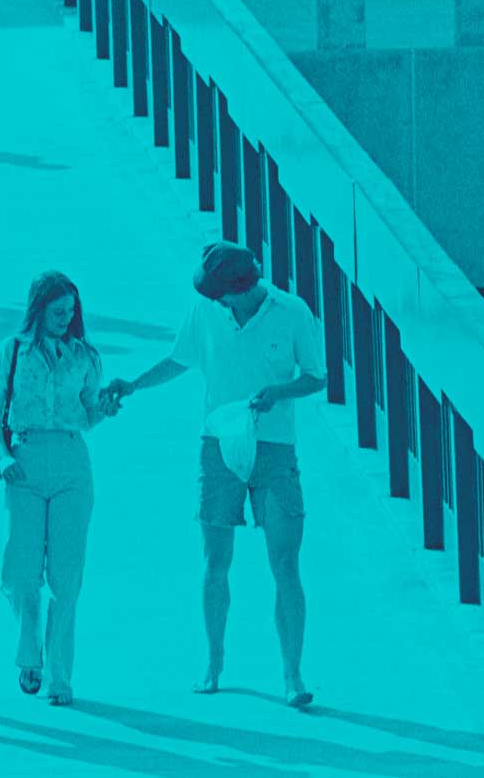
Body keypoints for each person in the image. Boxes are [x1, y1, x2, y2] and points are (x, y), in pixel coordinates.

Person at [109, 242, 327, 707]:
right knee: (215, 562)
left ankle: (293, 674)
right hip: (218, 444)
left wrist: (278, 392)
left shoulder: (291, 311)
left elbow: (316, 376)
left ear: (238, 289)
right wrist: (133, 384)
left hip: (274, 447)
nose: (211, 301)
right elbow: (178, 360)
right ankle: (214, 662)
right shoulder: (205, 311)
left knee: (285, 563)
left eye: (218, 293)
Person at [0, 271, 122, 706]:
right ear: (39, 309)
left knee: (67, 576)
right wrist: (4, 458)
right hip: (23, 462)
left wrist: (105, 408)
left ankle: (60, 676)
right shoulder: (13, 351)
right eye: (58, 311)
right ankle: (30, 655)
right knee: (22, 571)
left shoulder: (85, 356)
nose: (66, 318)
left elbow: (87, 414)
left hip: (71, 463)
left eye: (71, 312)